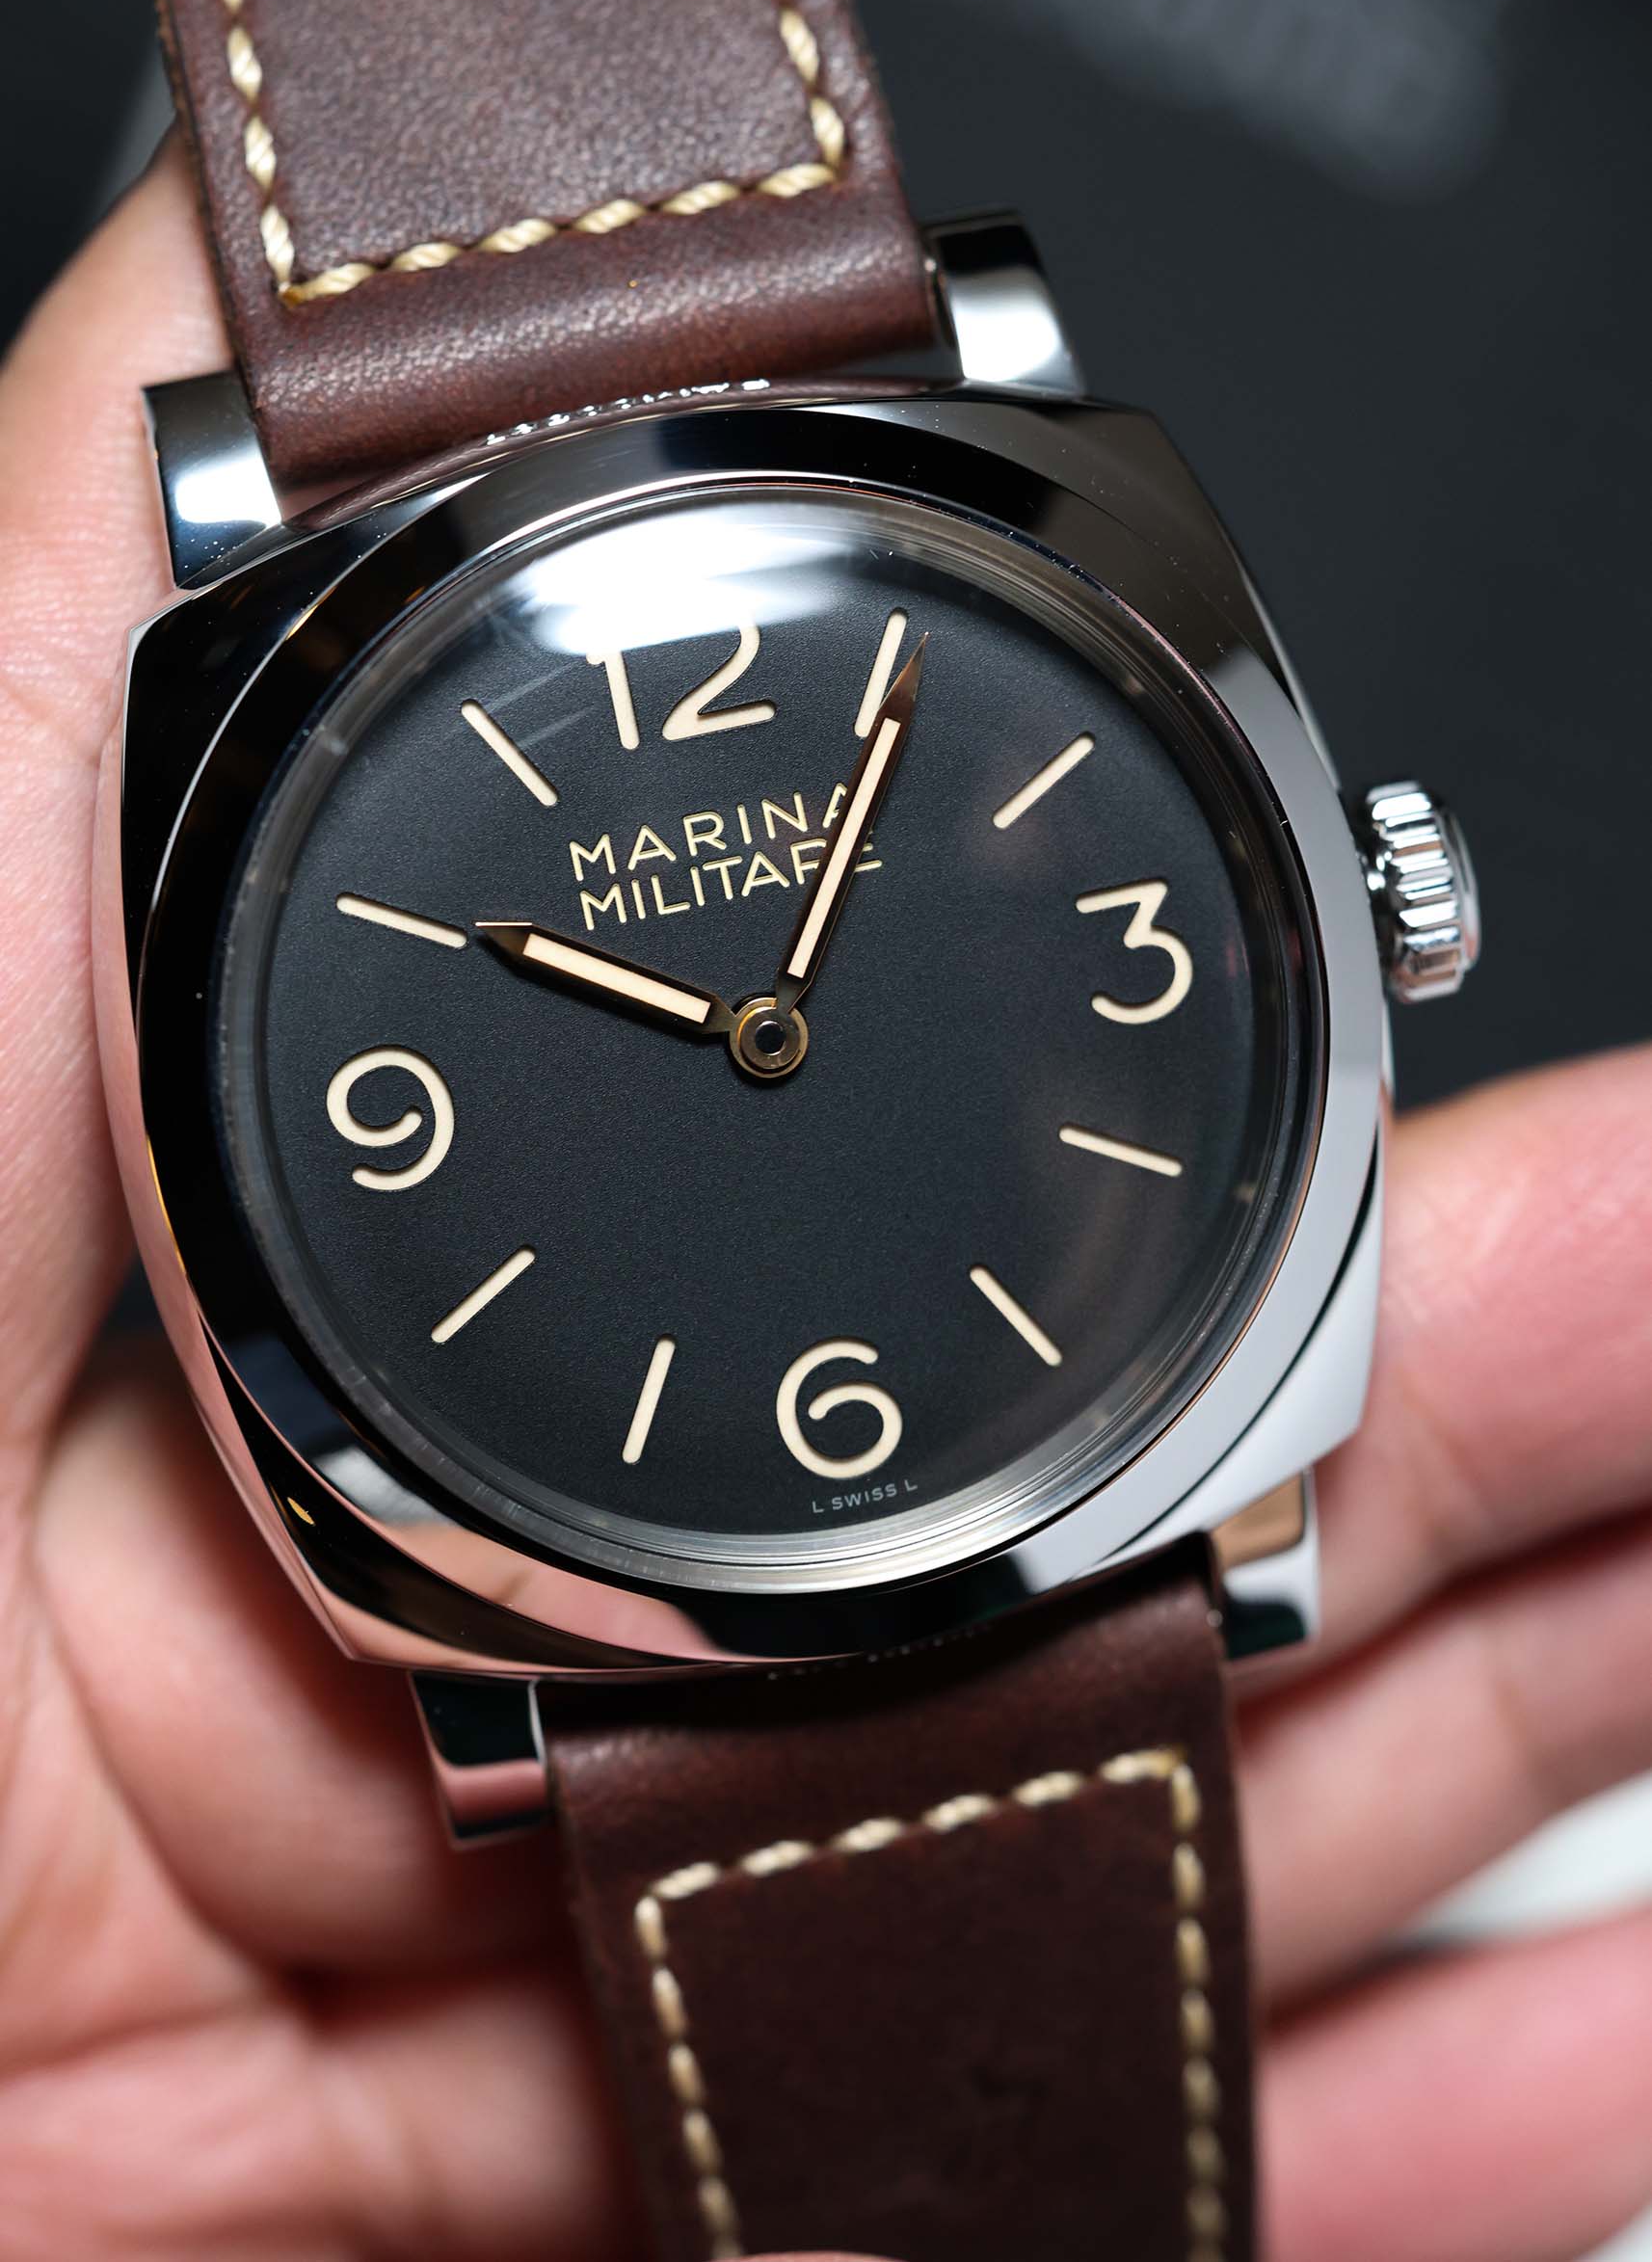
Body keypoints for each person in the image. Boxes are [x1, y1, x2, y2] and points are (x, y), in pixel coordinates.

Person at [0, 147, 1647, 2262]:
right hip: (673, 1609)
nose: (762, 1032)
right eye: (745, 1025)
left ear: (1369, 893)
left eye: (763, 1018)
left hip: (1134, 1469)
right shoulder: (974, 398)